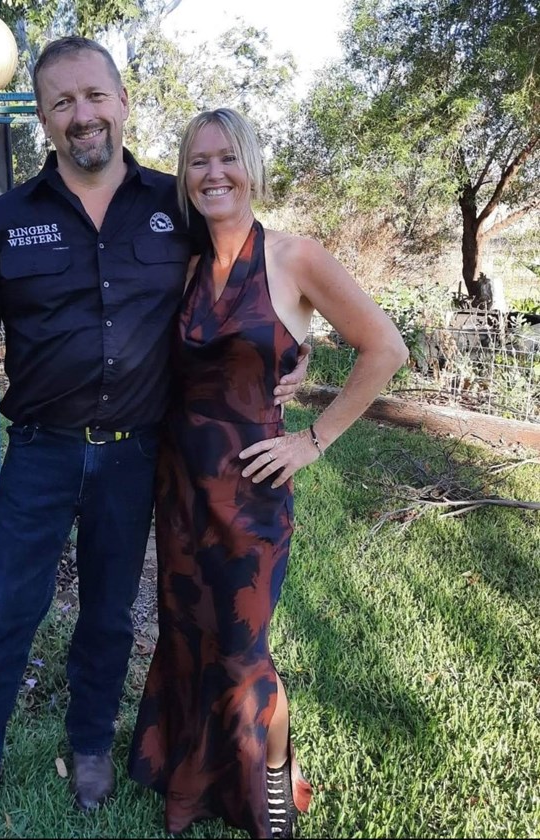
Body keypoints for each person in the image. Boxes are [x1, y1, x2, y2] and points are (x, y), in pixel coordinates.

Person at [0, 40, 308, 839]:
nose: (82, 115)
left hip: (136, 455)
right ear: (43, 118)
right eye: (62, 102)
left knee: (110, 616)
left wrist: (294, 357)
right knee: (4, 612)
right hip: (41, 451)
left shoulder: (176, 207)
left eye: (95, 96)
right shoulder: (3, 223)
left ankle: (91, 744)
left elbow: (253, 286)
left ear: (123, 102)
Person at [127, 108, 408, 839]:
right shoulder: (186, 265)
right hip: (180, 490)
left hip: (251, 496)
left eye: (227, 157)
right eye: (198, 161)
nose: (213, 173)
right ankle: (195, 778)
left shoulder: (295, 257)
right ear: (184, 177)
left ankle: (272, 781)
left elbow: (385, 347)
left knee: (245, 653)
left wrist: (314, 439)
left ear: (251, 165)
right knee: (188, 635)